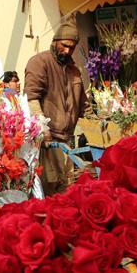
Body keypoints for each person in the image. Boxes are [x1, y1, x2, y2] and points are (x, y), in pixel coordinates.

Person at [24, 13, 87, 196]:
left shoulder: (74, 70)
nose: (67, 51)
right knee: (50, 191)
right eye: (64, 45)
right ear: (55, 41)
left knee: (66, 191)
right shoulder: (39, 62)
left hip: (66, 142)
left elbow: (83, 105)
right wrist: (43, 129)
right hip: (47, 144)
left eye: (72, 47)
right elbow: (32, 98)